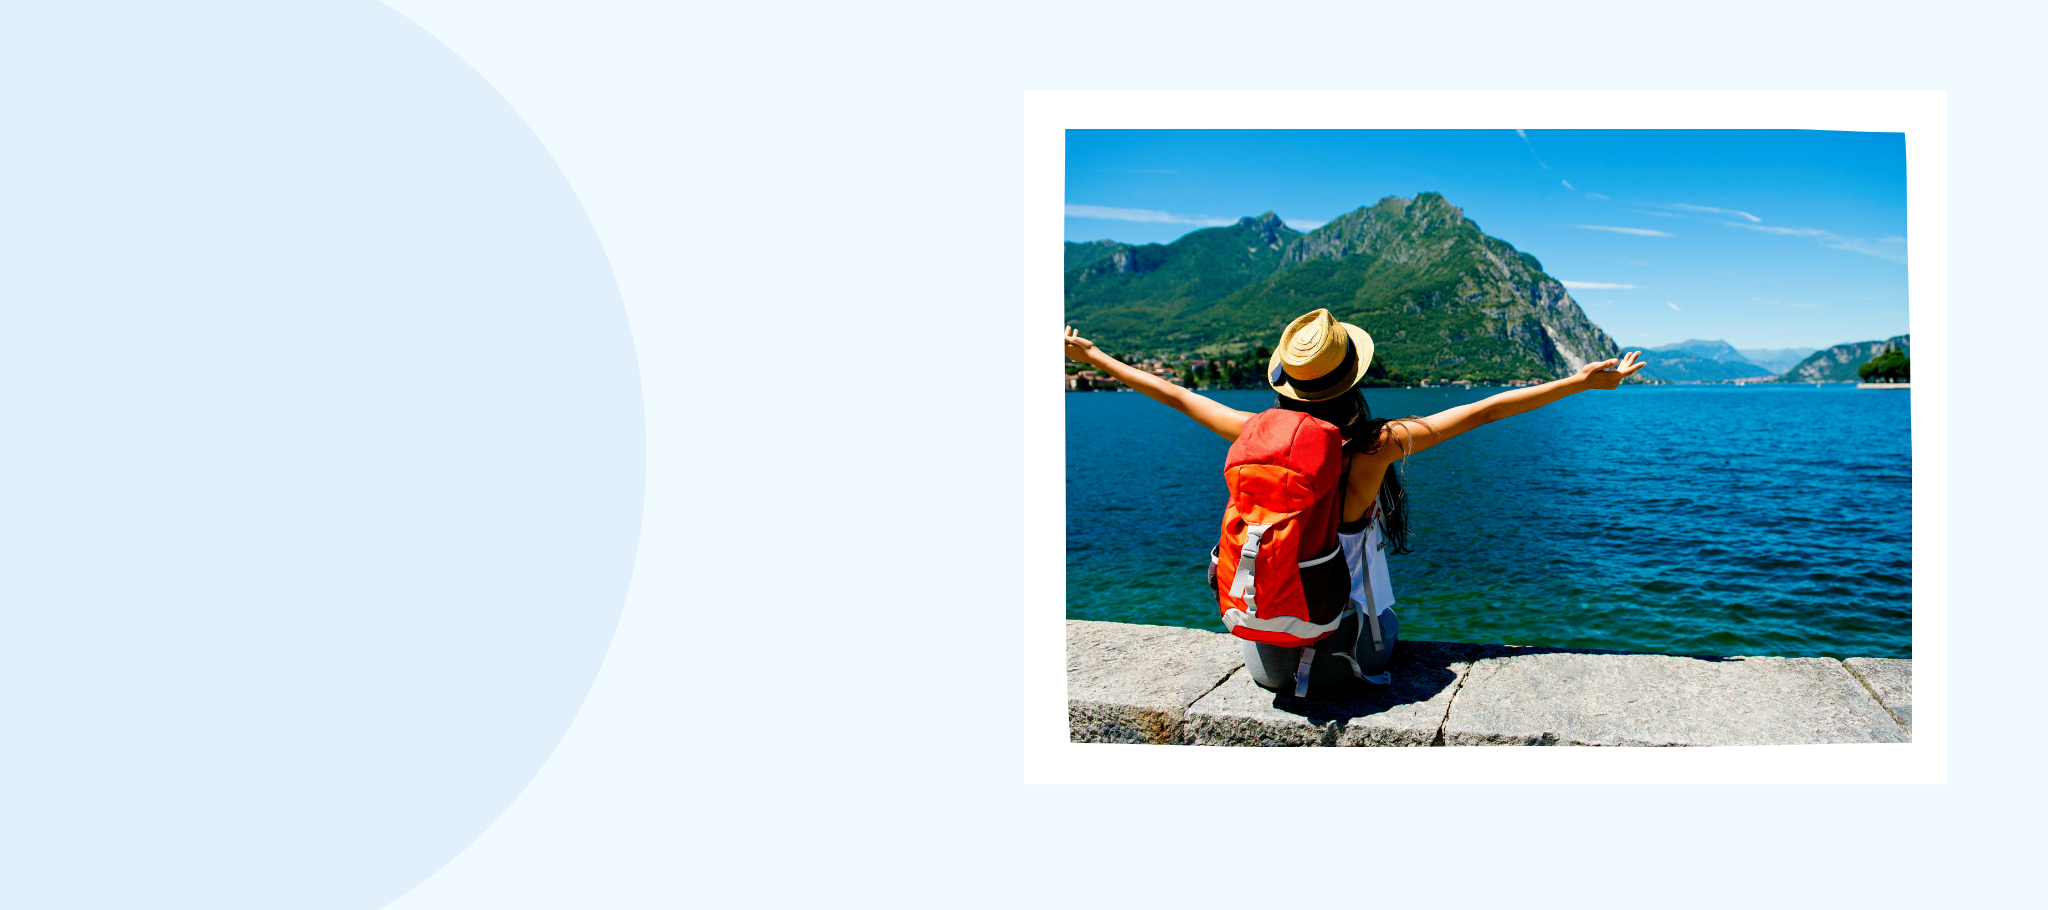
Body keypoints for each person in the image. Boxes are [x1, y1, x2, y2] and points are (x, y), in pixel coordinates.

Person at [1063, 309, 1647, 694]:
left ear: (1287, 383)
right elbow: (1488, 409)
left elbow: (1175, 394)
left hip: (1264, 660)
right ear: (1351, 380)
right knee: (1390, 621)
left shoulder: (1252, 432)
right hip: (1348, 661)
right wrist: (1580, 381)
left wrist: (1094, 359)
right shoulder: (1375, 446)